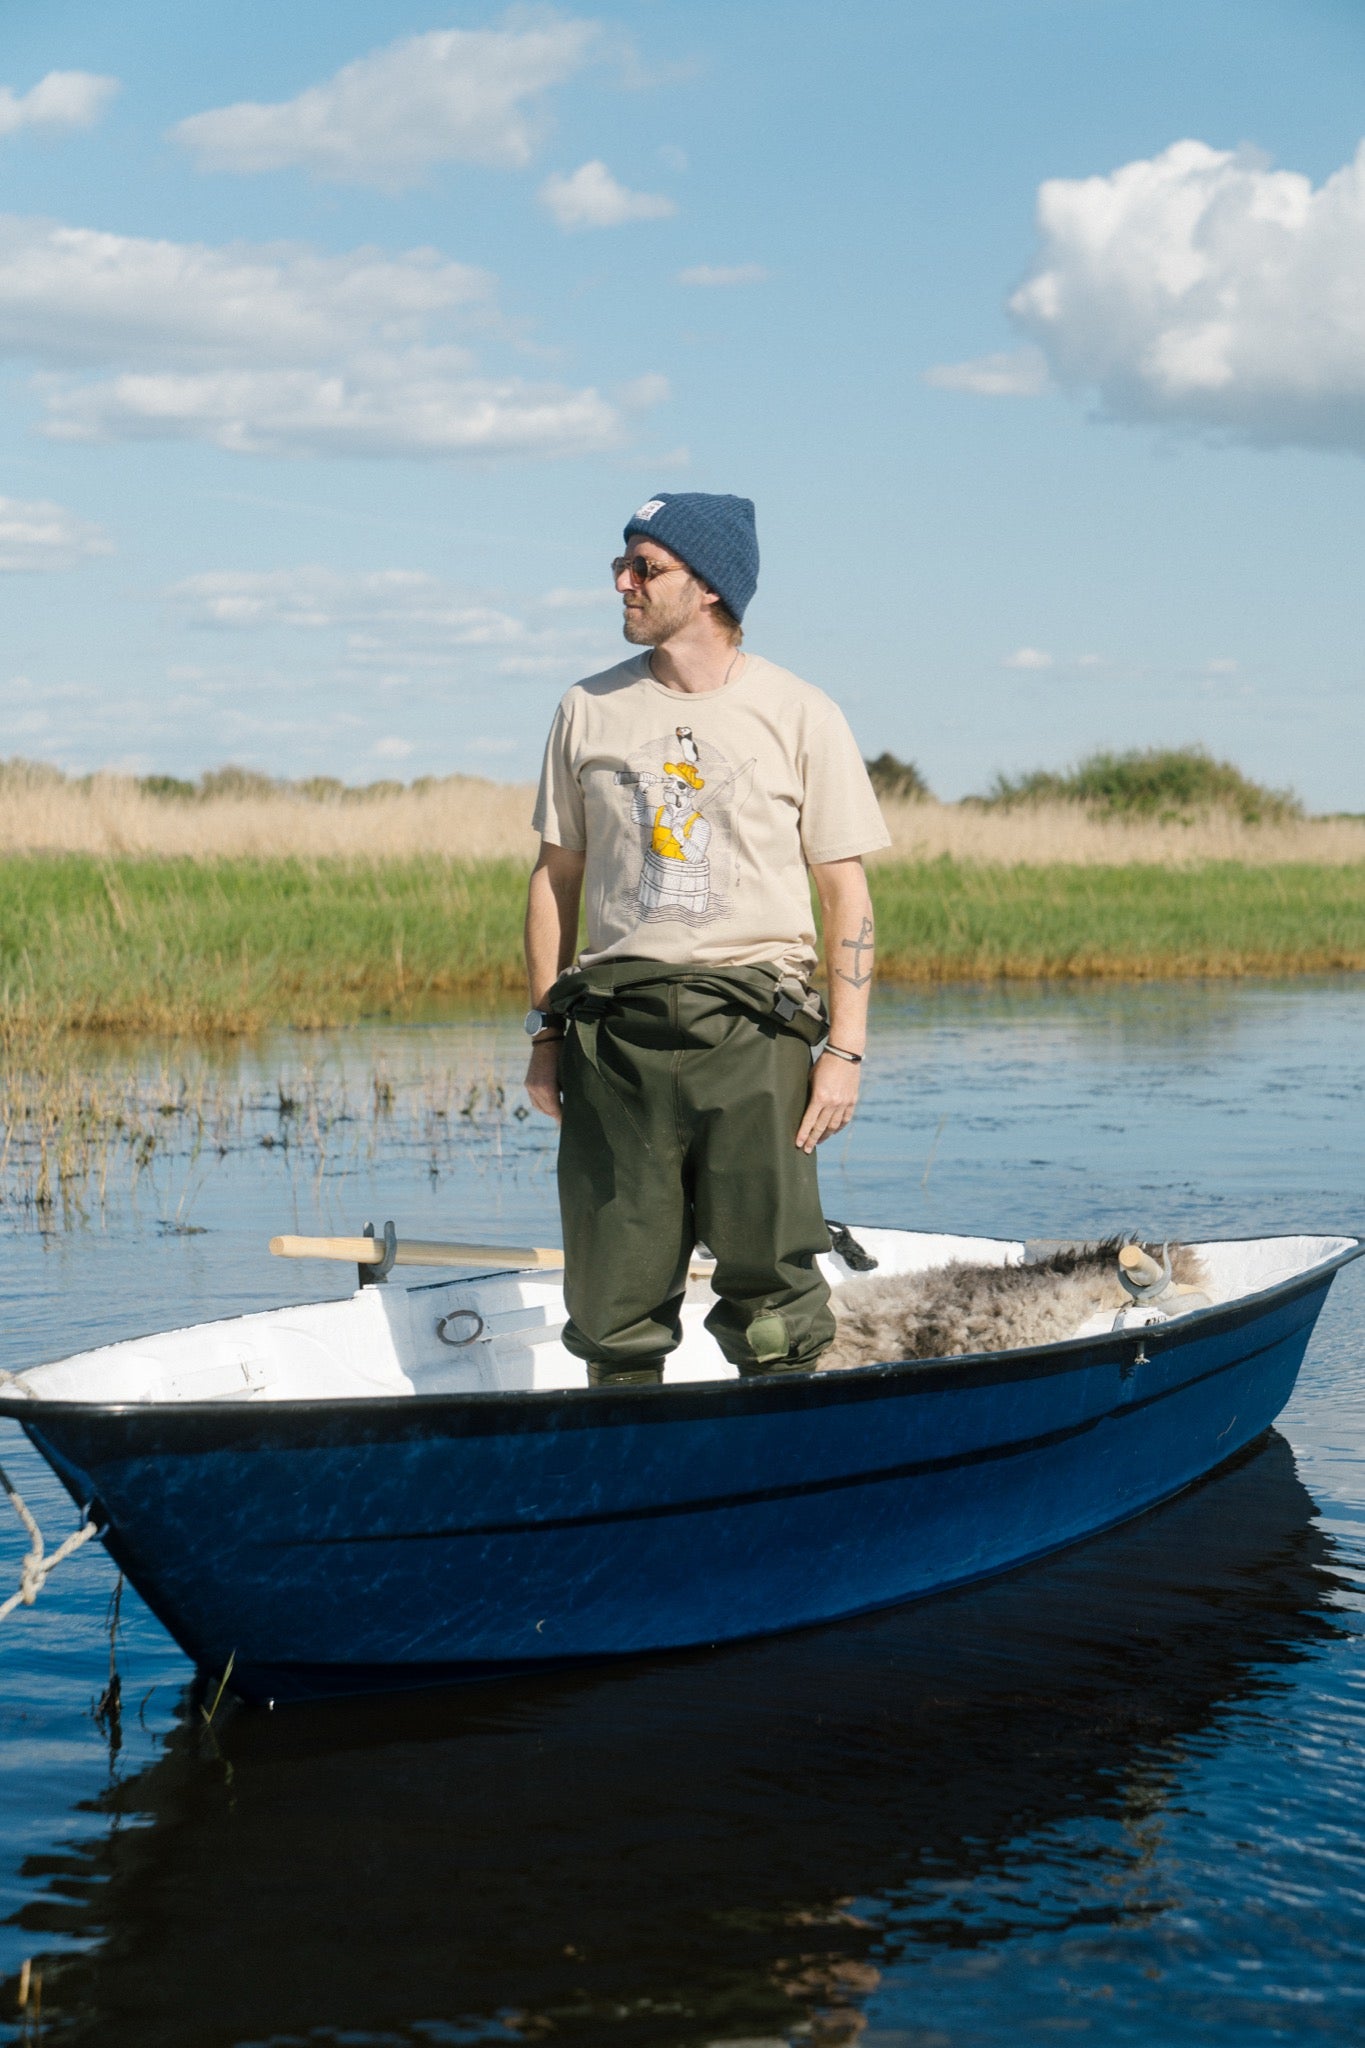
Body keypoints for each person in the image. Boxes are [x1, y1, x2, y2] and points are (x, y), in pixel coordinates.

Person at [524, 491, 889, 1386]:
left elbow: (844, 891)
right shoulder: (586, 708)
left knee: (772, 1293)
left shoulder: (801, 713)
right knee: (612, 1296)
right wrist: (545, 1035)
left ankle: (782, 1473)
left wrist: (844, 1048)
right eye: (622, 564)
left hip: (752, 1032)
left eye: (645, 567)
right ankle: (628, 1487)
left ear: (712, 586)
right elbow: (552, 879)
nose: (622, 582)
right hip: (612, 1040)